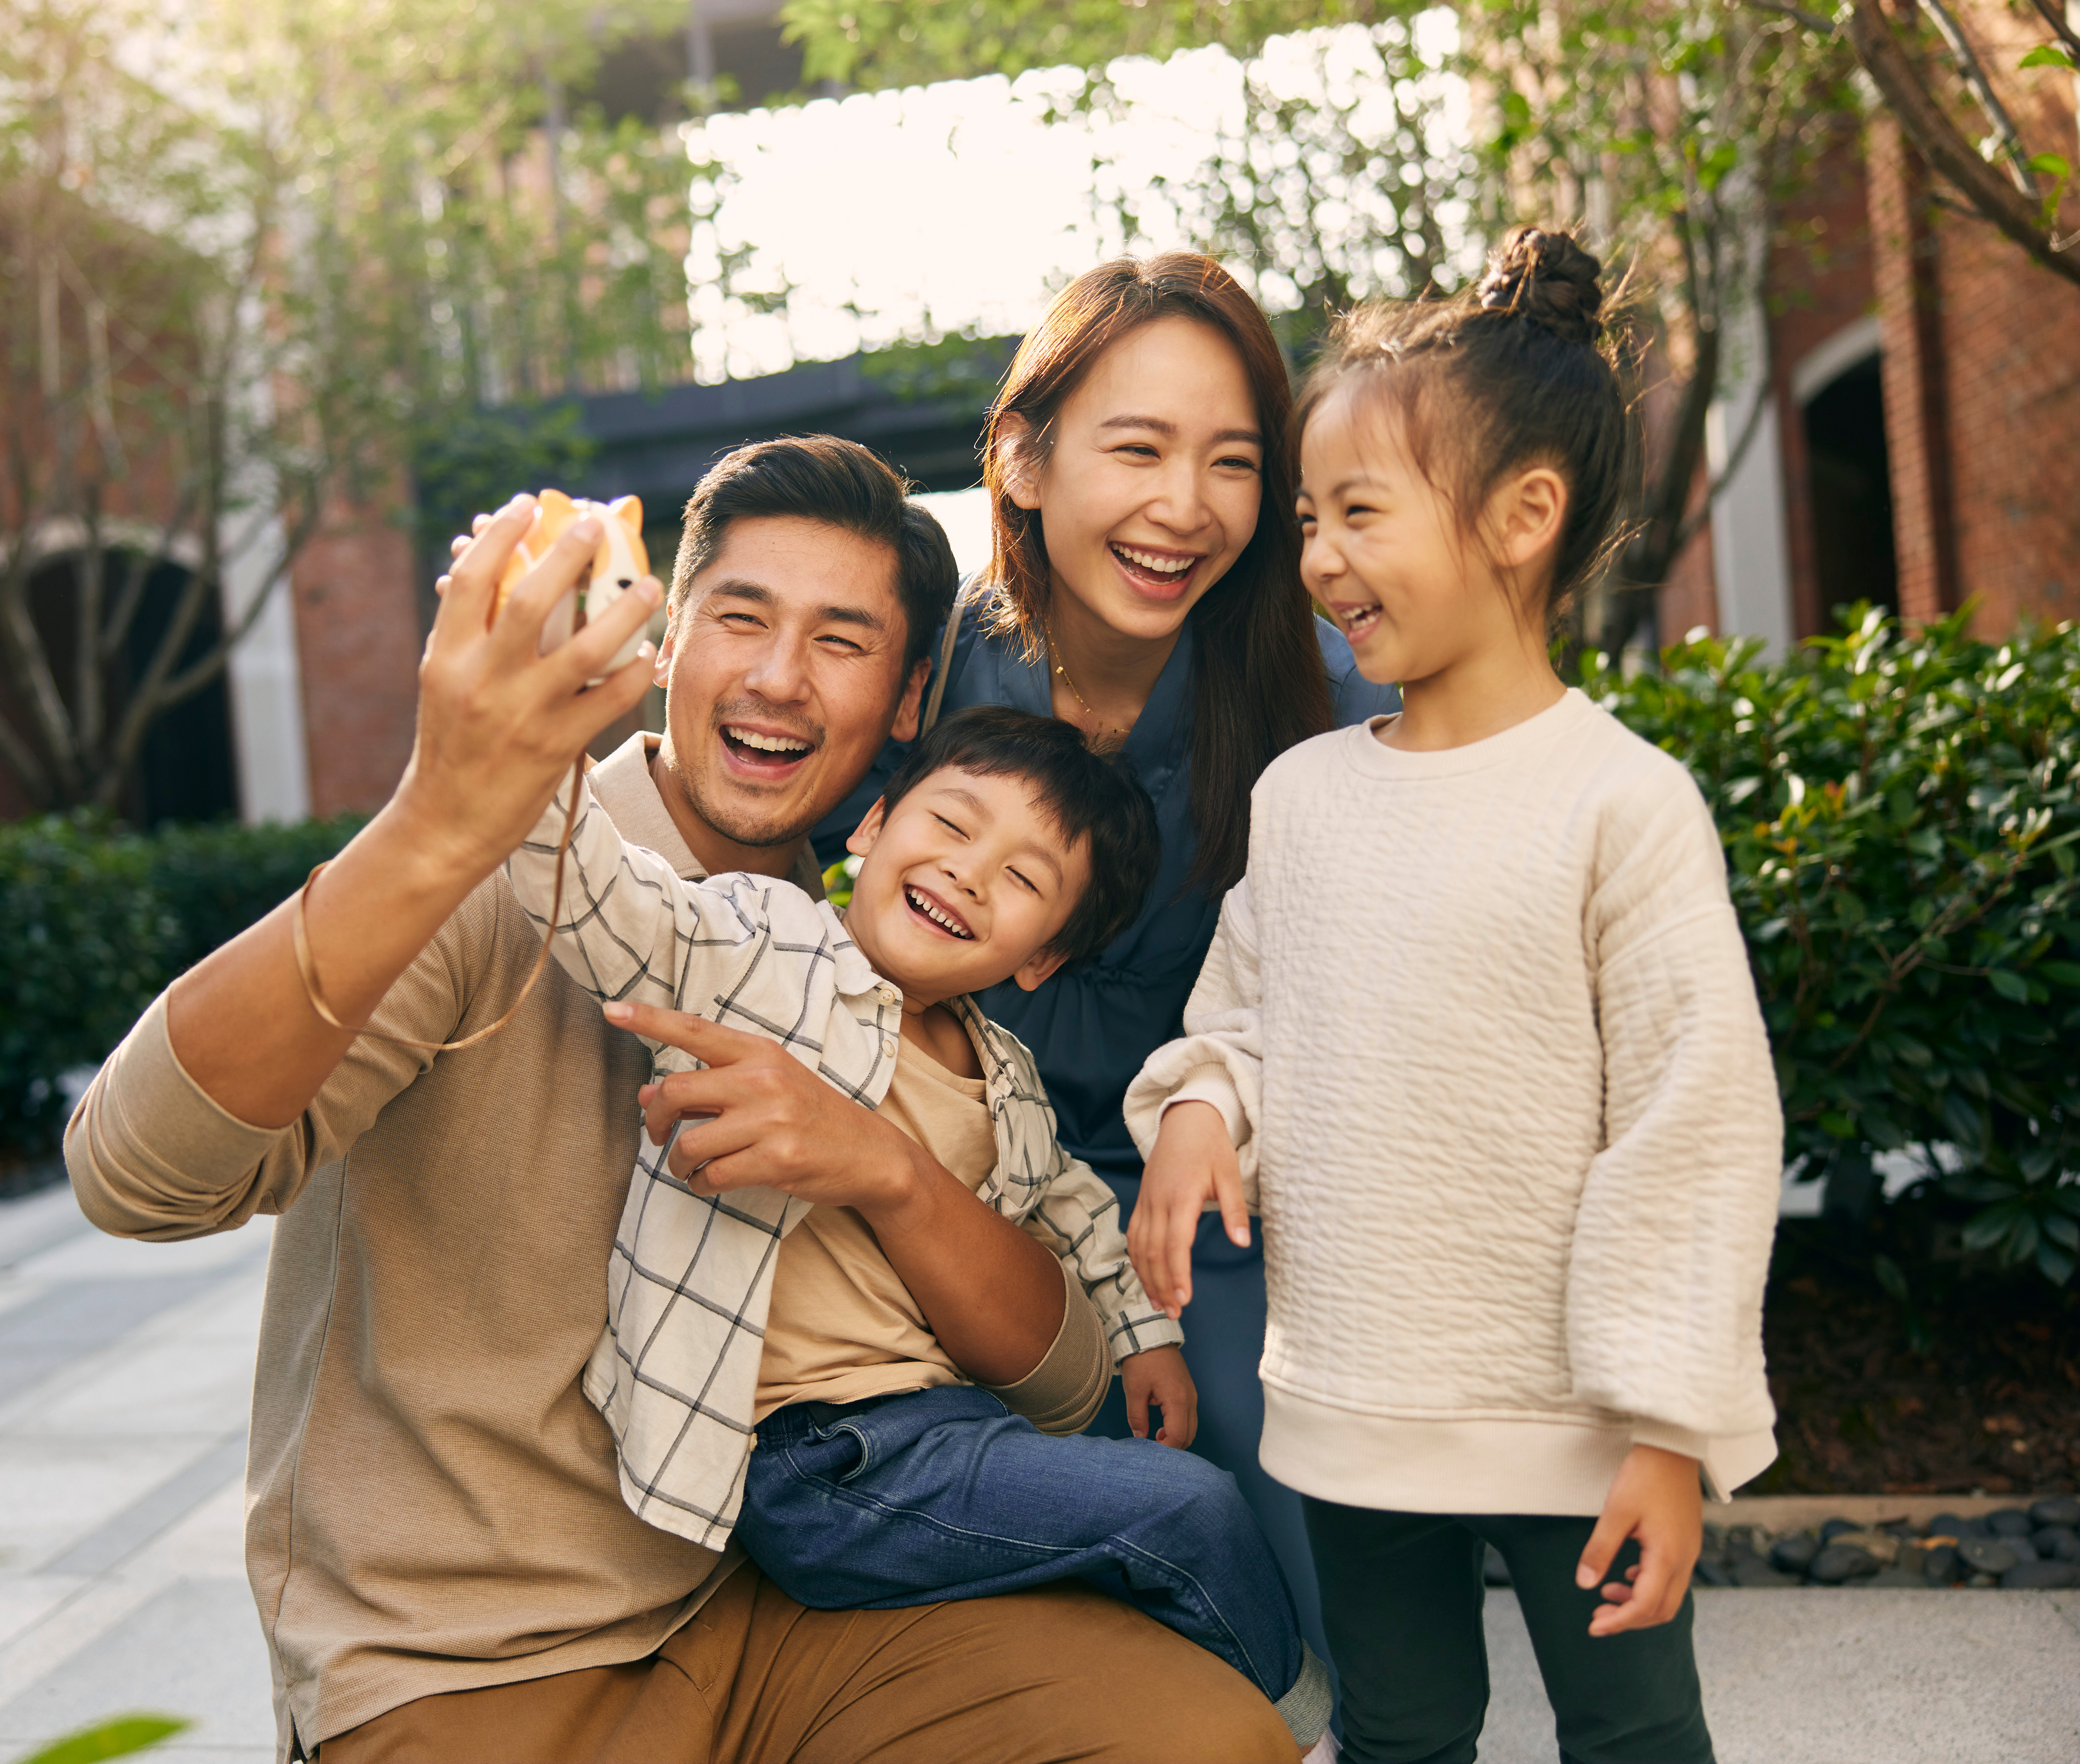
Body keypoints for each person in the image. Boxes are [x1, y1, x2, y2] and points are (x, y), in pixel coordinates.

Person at [65, 434, 1307, 1762]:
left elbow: (1060, 1389)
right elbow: (136, 1174)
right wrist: (435, 823)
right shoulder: (503, 881)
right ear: (666, 644)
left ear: (903, 706)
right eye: (739, 618)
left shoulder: (885, 976)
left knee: (1204, 1736)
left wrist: (883, 1166)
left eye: (839, 639)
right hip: (468, 1663)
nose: (776, 676)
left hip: (771, 1615)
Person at [1123, 226, 1782, 1764]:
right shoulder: (1301, 799)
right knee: (1399, 1736)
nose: (1315, 560)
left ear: (1520, 516)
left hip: (1579, 1421)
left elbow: (1693, 1124)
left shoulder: (1620, 802)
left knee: (1630, 1733)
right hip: (1356, 1396)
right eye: (1306, 518)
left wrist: (1669, 1430)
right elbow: (1246, 1015)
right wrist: (1203, 1110)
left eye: (1356, 513)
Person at [502, 704, 1332, 1749]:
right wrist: (525, 743)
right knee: (1188, 1513)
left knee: (1143, 1551)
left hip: (947, 1434)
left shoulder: (1009, 1084)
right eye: (951, 824)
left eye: (1026, 880)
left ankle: (1204, 1724)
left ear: (1044, 959)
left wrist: (1148, 1342)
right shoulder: (764, 944)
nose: (971, 874)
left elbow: (1074, 1208)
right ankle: (1305, 1735)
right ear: (873, 826)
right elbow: (606, 903)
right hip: (817, 1463)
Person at [815, 255, 1396, 1664]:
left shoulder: (1325, 693)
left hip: (1196, 1187)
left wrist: (1223, 1110)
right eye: (1135, 448)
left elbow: (1392, 983)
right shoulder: (925, 666)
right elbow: (771, 840)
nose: (1181, 506)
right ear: (1021, 455)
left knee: (1269, 1449)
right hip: (928, 1146)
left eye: (1230, 462)